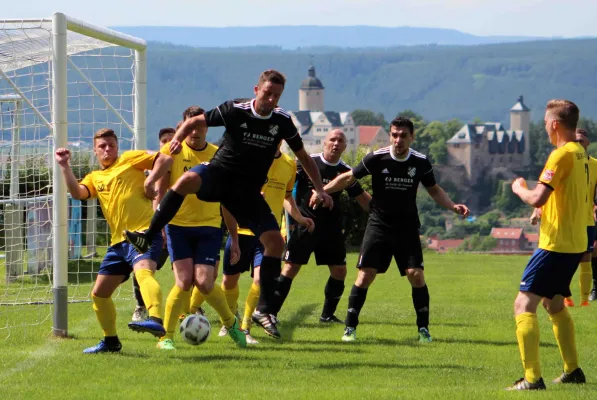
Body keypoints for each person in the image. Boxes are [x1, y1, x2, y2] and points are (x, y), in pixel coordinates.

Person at [124, 70, 333, 339]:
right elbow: (193, 123)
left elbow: (303, 156)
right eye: (267, 93)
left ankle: (264, 310)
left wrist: (320, 189)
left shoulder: (282, 121)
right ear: (256, 89)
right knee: (185, 180)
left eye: (277, 96)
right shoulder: (235, 109)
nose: (271, 100)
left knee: (275, 243)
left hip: (246, 192)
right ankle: (147, 236)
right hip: (219, 175)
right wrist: (176, 140)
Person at [320, 117, 469, 343]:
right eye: (394, 135)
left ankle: (423, 330)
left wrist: (452, 206)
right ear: (390, 135)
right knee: (365, 275)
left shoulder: (420, 162)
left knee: (415, 275)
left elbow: (434, 189)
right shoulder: (376, 158)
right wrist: (323, 191)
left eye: (403, 136)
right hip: (378, 225)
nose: (398, 140)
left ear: (412, 137)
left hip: (407, 227)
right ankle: (350, 329)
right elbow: (349, 178)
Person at [55, 128, 172, 353]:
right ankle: (110, 341)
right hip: (118, 243)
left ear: (117, 147)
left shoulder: (130, 159)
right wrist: (64, 166)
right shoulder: (95, 177)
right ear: (95, 151)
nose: (107, 149)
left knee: (144, 273)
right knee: (99, 294)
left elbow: (165, 159)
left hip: (144, 233)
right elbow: (78, 193)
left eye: (111, 145)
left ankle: (155, 319)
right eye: (102, 146)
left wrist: (151, 184)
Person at [507, 100, 587, 390]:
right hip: (576, 242)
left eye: (544, 121)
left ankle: (531, 379)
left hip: (555, 244)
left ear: (554, 124)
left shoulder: (560, 155)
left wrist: (519, 189)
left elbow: (538, 196)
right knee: (553, 303)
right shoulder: (581, 154)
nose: (543, 126)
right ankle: (572, 370)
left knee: (523, 303)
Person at [155, 106, 246, 350]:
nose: (195, 131)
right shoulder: (171, 152)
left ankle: (231, 323)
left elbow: (227, 201)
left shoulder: (219, 156)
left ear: (207, 127)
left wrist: (234, 239)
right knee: (184, 282)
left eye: (200, 125)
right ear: (183, 126)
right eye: (190, 125)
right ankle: (167, 337)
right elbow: (161, 192)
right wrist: (158, 224)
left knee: (204, 283)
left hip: (209, 228)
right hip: (177, 227)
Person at [221, 143, 314, 344]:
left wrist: (299, 217)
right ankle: (231, 320)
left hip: (267, 234)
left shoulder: (289, 164)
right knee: (229, 281)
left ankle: (245, 327)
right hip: (242, 230)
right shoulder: (249, 159)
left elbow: (287, 196)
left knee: (259, 280)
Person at [274, 129, 371, 323]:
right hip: (305, 225)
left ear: (345, 147)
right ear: (324, 143)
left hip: (331, 229)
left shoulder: (345, 171)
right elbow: (284, 189)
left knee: (340, 271)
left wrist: (384, 214)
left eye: (340, 141)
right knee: (291, 268)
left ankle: (327, 315)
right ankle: (270, 313)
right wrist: (294, 217)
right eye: (332, 140)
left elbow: (363, 199)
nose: (336, 144)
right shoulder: (307, 162)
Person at [529, 128, 597, 308]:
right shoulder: (562, 159)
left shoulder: (595, 165)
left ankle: (584, 300)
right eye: (575, 141)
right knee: (564, 260)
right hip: (564, 222)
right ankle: (565, 297)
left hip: (587, 220)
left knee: (586, 258)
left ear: (588, 143)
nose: (578, 144)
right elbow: (546, 189)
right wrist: (538, 209)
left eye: (581, 141)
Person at [131, 127, 176, 322]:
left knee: (183, 268)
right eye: (163, 140)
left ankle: (191, 307)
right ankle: (141, 305)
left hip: (178, 225)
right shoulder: (150, 170)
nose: (167, 143)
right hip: (153, 227)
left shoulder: (180, 166)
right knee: (143, 268)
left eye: (171, 140)